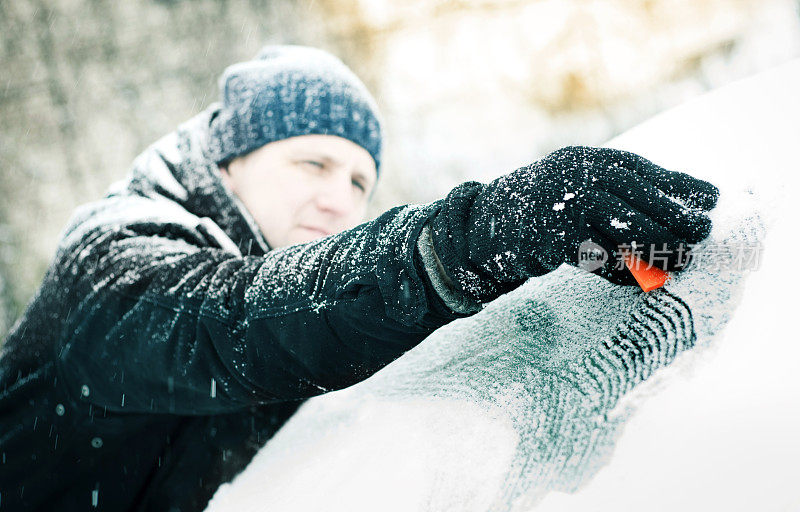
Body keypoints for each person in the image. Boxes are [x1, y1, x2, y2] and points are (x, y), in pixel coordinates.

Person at [0, 45, 719, 511]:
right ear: (227, 162)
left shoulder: (312, 317)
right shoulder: (111, 261)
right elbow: (237, 323)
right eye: (311, 164)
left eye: (358, 181)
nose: (340, 200)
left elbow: (370, 334)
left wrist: (566, 257)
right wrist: (476, 235)